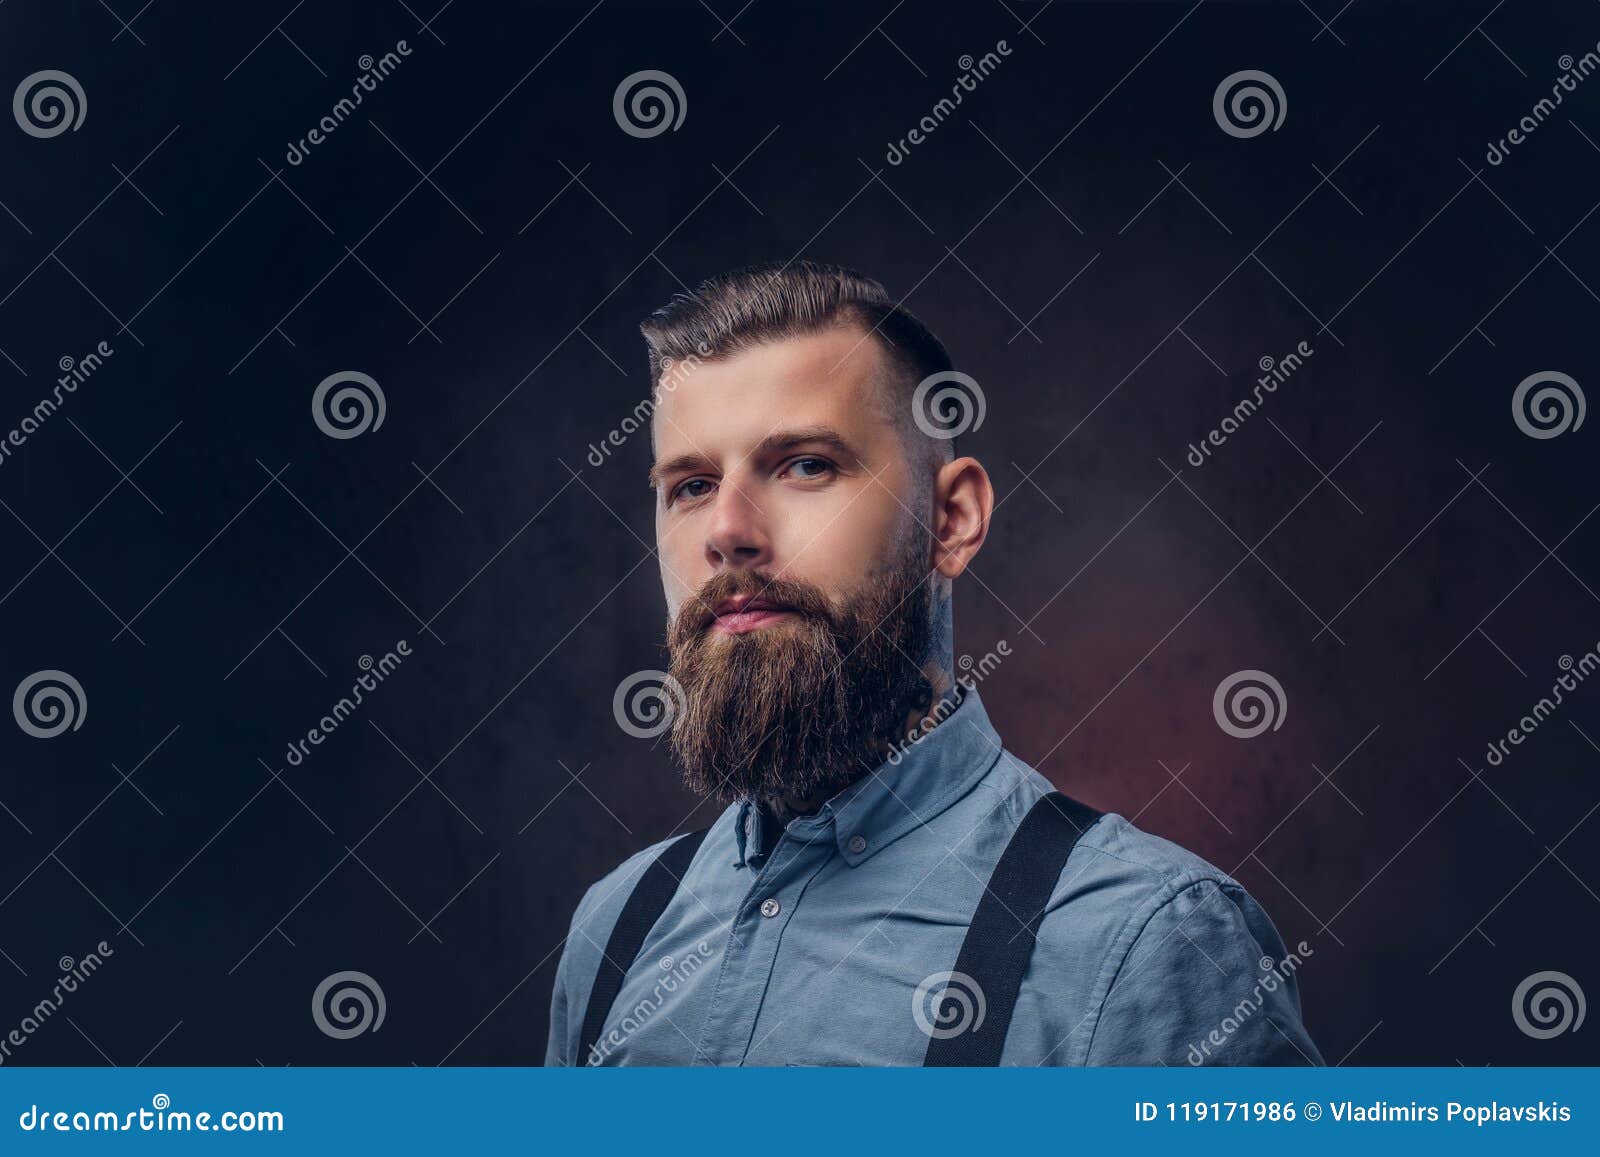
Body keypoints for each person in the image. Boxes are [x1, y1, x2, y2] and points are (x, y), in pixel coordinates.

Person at [545, 261, 1322, 1066]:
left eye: (807, 464)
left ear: (951, 519)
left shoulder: (1149, 945)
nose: (728, 530)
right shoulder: (616, 932)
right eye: (692, 484)